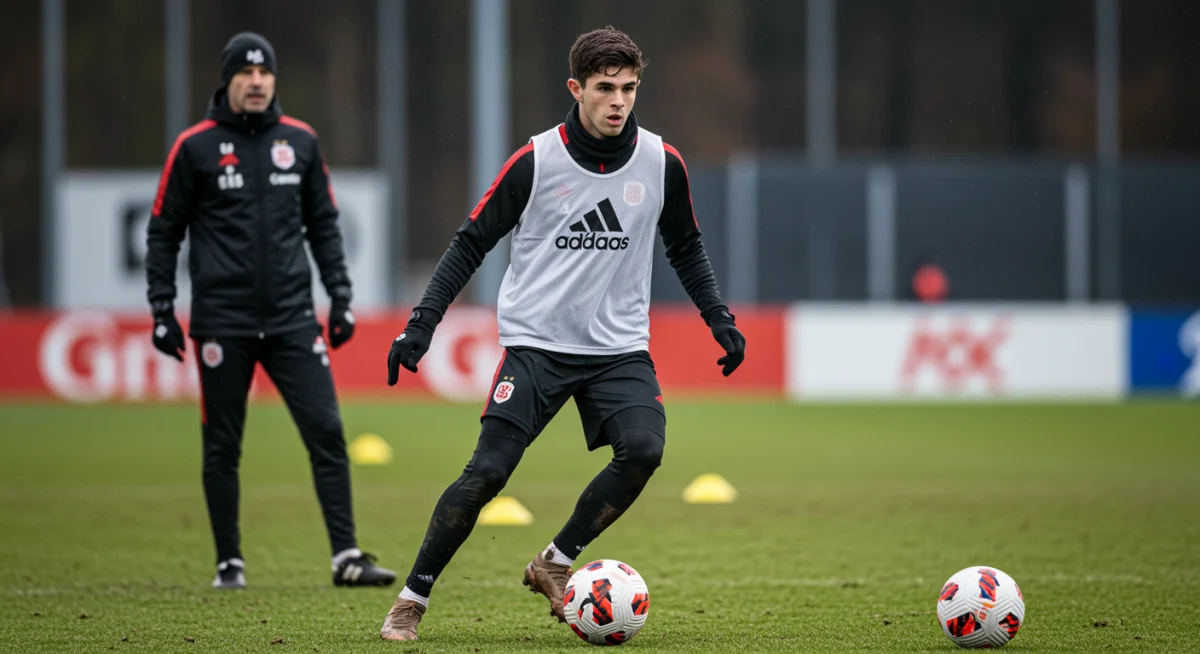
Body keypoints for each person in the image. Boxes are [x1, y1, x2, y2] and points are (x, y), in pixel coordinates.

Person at [378, 26, 747, 641]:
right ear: (576, 88)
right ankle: (412, 598)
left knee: (645, 451)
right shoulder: (537, 160)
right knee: (487, 474)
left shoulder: (661, 162)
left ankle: (553, 561)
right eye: (605, 88)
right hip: (536, 346)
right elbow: (470, 243)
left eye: (629, 88)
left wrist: (719, 318)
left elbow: (686, 246)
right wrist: (422, 327)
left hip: (618, 350)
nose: (618, 102)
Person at [145, 31, 395, 590]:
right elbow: (164, 232)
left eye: (265, 74)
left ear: (274, 79)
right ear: (228, 79)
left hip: (290, 320)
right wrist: (162, 309)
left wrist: (342, 296)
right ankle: (229, 562)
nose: (257, 82)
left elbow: (324, 226)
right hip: (222, 322)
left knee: (327, 431)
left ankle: (347, 557)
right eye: (245, 74)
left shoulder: (300, 142)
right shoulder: (195, 147)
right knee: (223, 445)